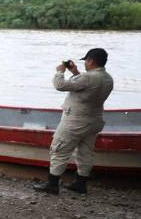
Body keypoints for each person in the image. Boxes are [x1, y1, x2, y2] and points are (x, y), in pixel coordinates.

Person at [33, 48, 114, 195]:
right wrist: (75, 72)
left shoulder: (88, 77)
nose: (85, 64)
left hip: (75, 121)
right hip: (94, 121)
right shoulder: (108, 78)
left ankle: (52, 184)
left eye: (86, 61)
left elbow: (60, 85)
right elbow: (85, 86)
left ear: (91, 61)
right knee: (86, 152)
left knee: (59, 149)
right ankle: (80, 184)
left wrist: (60, 72)